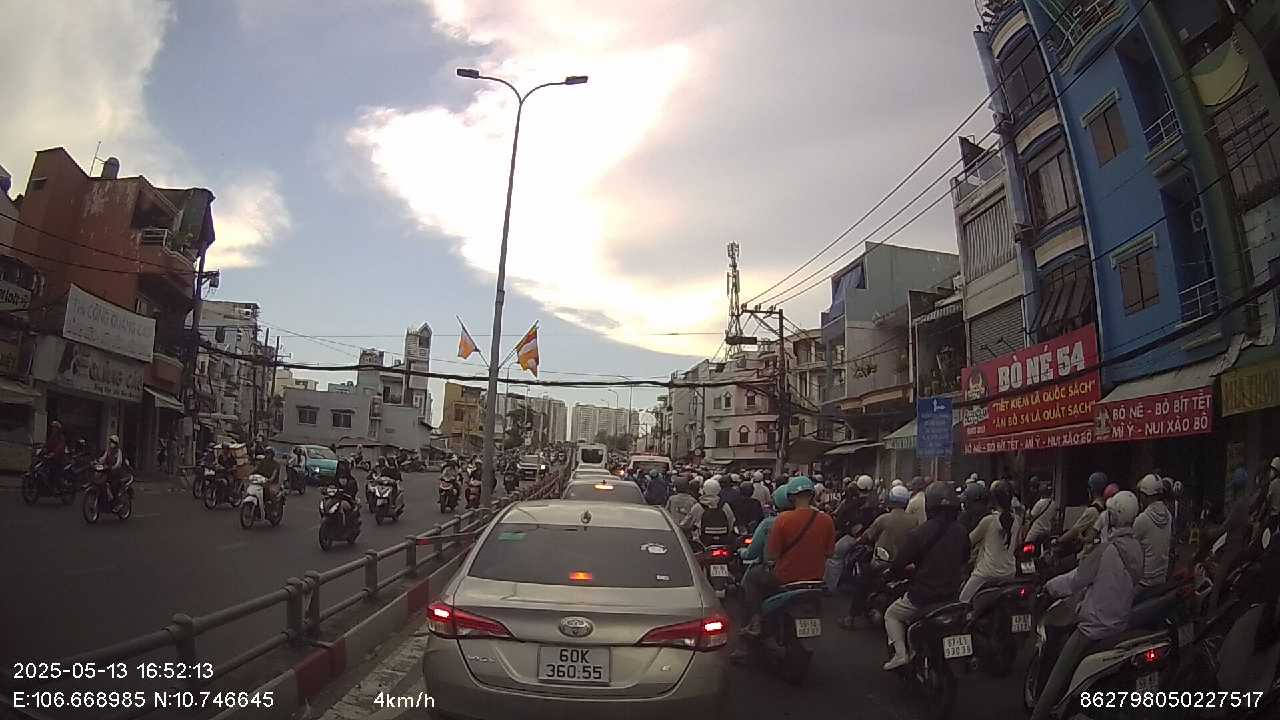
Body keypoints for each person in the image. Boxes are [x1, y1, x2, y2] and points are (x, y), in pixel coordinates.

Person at [1029, 491, 1144, 720]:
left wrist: (1049, 587)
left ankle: (1039, 714)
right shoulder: (1138, 550)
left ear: (1113, 517)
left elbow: (1076, 580)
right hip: (1120, 625)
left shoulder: (1105, 550)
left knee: (1056, 676)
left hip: (1093, 629)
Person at [882, 481, 970, 670]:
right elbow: (965, 559)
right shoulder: (962, 531)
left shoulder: (920, 533)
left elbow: (899, 563)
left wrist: (894, 573)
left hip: (923, 597)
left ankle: (900, 654)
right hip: (952, 595)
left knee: (891, 614)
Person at [739, 476, 836, 637]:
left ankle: (755, 622)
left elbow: (771, 556)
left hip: (785, 577)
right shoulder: (827, 520)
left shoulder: (782, 520)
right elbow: (830, 553)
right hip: (816, 578)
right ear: (813, 495)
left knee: (752, 577)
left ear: (791, 497)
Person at [839, 483, 919, 629]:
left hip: (882, 563)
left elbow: (867, 536)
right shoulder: (914, 520)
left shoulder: (883, 519)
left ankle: (850, 617)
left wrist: (858, 541)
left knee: (862, 583)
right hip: (906, 565)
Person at [960, 481, 1022, 602]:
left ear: (993, 501)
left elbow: (969, 541)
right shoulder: (1017, 520)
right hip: (1009, 572)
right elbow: (1017, 544)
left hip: (986, 573)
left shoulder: (989, 521)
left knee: (963, 601)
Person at [1054, 471, 1109, 561]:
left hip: (1087, 556)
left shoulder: (1092, 511)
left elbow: (1074, 531)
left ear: (1091, 490)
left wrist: (1058, 541)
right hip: (1101, 554)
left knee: (1061, 564)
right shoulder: (1106, 509)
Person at [1132, 474, 1172, 589]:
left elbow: (1129, 547)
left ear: (1144, 496)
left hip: (1144, 582)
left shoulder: (1143, 519)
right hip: (1161, 578)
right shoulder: (1168, 516)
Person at [682, 478, 737, 548]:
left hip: (701, 543)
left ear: (704, 490)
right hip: (723, 541)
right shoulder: (724, 506)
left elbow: (687, 523)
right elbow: (731, 521)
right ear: (718, 490)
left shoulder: (698, 507)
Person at [97, 434, 126, 510]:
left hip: (116, 473)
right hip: (108, 471)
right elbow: (103, 459)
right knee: (101, 482)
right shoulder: (108, 451)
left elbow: (118, 463)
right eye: (110, 441)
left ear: (116, 443)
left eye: (113, 442)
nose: (111, 443)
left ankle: (117, 502)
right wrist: (97, 461)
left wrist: (113, 467)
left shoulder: (118, 452)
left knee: (113, 486)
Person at [1024, 478, 1057, 544]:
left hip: (1036, 530)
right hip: (1047, 531)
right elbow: (1054, 518)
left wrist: (1027, 513)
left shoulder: (1040, 503)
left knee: (1026, 543)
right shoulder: (1054, 503)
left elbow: (1031, 516)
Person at [42, 420, 67, 488]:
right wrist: (43, 449)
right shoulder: (52, 436)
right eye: (52, 427)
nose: (53, 429)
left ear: (58, 429)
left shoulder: (61, 437)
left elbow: (60, 447)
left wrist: (54, 453)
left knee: (55, 472)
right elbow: (48, 444)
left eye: (54, 427)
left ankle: (56, 486)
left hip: (58, 458)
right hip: (50, 458)